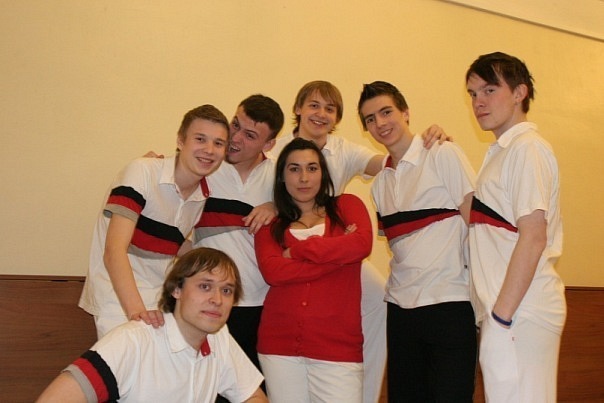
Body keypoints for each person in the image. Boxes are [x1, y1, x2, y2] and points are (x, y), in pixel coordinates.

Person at [268, 80, 449, 403]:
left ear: (337, 118)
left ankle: (364, 394)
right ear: (298, 109)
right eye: (313, 105)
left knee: (379, 298)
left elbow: (390, 160)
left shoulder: (344, 150)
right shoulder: (275, 150)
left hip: (333, 251)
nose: (321, 114)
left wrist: (427, 143)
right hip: (287, 240)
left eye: (330, 109)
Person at [358, 81, 477, 402]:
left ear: (406, 112)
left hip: (449, 304)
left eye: (386, 112)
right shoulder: (379, 184)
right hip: (400, 312)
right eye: (370, 119)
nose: (380, 123)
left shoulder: (442, 153)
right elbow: (400, 247)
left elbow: (478, 225)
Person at [37, 247, 268, 403]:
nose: (217, 299)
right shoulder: (134, 340)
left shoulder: (218, 337)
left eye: (226, 290)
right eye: (205, 286)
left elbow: (253, 396)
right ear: (176, 290)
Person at [465, 52, 566, 402]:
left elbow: (534, 237)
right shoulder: (503, 152)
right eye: (473, 94)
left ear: (520, 93)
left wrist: (501, 317)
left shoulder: (527, 149)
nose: (478, 102)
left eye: (489, 90)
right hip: (508, 314)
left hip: (519, 312)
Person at [78, 105, 230, 338]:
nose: (209, 150)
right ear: (180, 140)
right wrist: (138, 314)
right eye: (200, 139)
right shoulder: (142, 172)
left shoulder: (201, 195)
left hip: (161, 299)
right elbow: (113, 251)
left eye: (218, 143)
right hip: (117, 300)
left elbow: (168, 242)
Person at [254, 138, 373, 403]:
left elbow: (362, 245)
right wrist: (338, 257)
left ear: (323, 173)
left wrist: (298, 251)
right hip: (278, 346)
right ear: (282, 176)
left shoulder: (347, 206)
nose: (304, 178)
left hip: (337, 347)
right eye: (294, 169)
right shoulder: (269, 222)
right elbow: (273, 272)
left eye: (312, 168)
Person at [192, 94, 284, 373]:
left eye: (250, 135)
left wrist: (276, 206)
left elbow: (311, 208)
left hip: (262, 305)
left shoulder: (280, 176)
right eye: (235, 125)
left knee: (254, 387)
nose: (235, 138)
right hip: (207, 302)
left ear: (268, 144)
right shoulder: (205, 164)